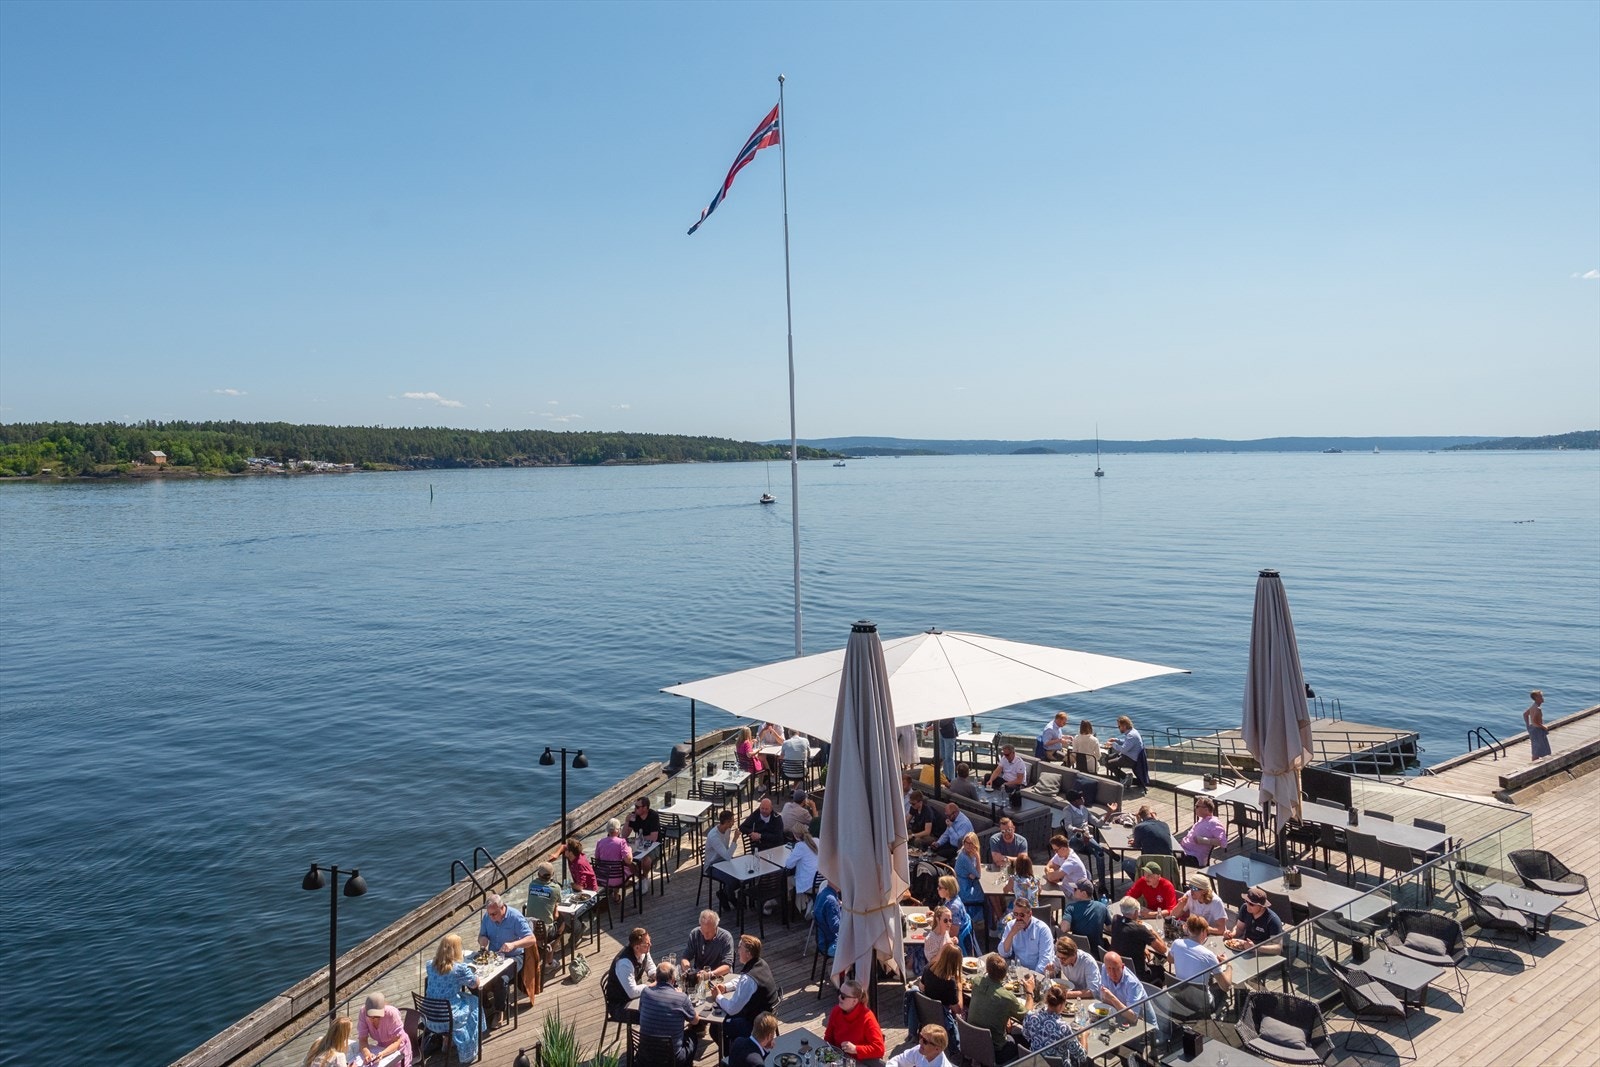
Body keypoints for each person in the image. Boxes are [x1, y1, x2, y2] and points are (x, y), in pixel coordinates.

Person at [966, 953, 1034, 1063]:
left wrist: (1006, 1016)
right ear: (1004, 974)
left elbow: (990, 1005)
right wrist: (1029, 993)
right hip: (996, 1051)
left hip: (973, 1041)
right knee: (1025, 1040)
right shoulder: (1006, 997)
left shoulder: (977, 982)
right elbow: (1028, 1017)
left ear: (987, 969)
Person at [424, 934, 481, 1063]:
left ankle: (447, 1040)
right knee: (474, 1002)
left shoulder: (430, 965)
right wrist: (475, 974)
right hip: (447, 1019)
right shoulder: (459, 969)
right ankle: (468, 1049)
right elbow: (474, 983)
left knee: (458, 998)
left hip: (429, 1017)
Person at [477, 892, 539, 1009]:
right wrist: (483, 940)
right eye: (489, 914)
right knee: (474, 975)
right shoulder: (487, 917)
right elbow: (481, 936)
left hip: (514, 957)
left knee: (501, 979)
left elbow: (531, 939)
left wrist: (513, 944)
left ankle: (500, 1011)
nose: (492, 917)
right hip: (494, 956)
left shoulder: (515, 917)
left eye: (494, 914)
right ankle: (485, 1005)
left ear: (502, 907)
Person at [716, 935, 781, 1047]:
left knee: (717, 1027)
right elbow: (742, 979)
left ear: (748, 953)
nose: (738, 950)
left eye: (740, 947)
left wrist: (718, 996)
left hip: (755, 1025)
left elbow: (732, 1008)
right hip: (766, 1016)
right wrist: (726, 987)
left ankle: (730, 1057)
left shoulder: (749, 979)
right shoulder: (761, 963)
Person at [638, 960, 699, 1065]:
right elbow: (695, 1021)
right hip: (671, 1059)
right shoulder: (681, 998)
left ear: (656, 978)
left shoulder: (645, 992)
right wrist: (682, 997)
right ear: (673, 979)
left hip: (645, 1054)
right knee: (692, 1035)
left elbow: (640, 1011)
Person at [1168, 914, 1231, 1000]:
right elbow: (1226, 986)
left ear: (1188, 929)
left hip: (1181, 998)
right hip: (1202, 1005)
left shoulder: (1176, 943)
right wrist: (1228, 964)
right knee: (1222, 991)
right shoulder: (1208, 955)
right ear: (1203, 932)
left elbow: (1170, 960)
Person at [1108, 896, 1167, 984]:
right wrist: (1153, 932)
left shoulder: (1116, 920)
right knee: (1161, 970)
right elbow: (1163, 949)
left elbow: (1127, 938)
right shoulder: (1140, 929)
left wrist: (1142, 948)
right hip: (1138, 975)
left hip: (1120, 968)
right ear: (1136, 912)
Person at [824, 978, 886, 1063]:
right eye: (839, 993)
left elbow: (879, 1049)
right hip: (839, 1059)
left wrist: (856, 1049)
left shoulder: (868, 1019)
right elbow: (828, 1038)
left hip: (860, 1062)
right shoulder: (836, 1011)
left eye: (843, 996)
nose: (839, 997)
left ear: (854, 1001)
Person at [1098, 951, 1156, 1028]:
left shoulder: (1132, 983)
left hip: (1146, 1027)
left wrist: (1112, 998)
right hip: (1121, 1019)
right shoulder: (1104, 969)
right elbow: (1104, 998)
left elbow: (1133, 1017)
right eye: (1109, 968)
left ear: (1122, 967)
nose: (1113, 973)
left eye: (1116, 969)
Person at [356, 992, 412, 1067]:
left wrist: (383, 1054)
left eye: (377, 1016)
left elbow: (397, 1041)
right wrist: (367, 1054)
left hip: (399, 1049)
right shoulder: (363, 1012)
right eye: (370, 1016)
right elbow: (362, 1039)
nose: (373, 1019)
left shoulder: (391, 1013)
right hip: (381, 1047)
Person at [999, 898, 1054, 972]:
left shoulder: (1042, 929)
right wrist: (1011, 934)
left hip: (1037, 972)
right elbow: (1003, 953)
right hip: (1019, 970)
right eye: (1015, 914)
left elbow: (1045, 960)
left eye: (1022, 915)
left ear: (1030, 914)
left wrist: (1034, 977)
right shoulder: (1011, 926)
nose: (1018, 918)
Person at [1225, 887, 1285, 955]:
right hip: (1245, 949)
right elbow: (1239, 928)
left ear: (1262, 906)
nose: (1247, 905)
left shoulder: (1273, 920)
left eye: (1251, 904)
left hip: (1263, 954)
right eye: (1246, 901)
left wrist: (1255, 947)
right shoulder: (1245, 908)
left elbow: (1278, 948)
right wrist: (1231, 934)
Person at [682, 909, 736, 984]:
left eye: (709, 932)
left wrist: (710, 974)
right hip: (700, 977)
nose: (705, 935)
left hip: (719, 977)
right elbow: (685, 958)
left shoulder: (725, 938)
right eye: (703, 931)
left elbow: (727, 966)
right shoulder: (695, 934)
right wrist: (689, 971)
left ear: (716, 926)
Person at [1021, 985, 1080, 1053]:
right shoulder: (1064, 1027)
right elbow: (1081, 1057)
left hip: (1035, 1061)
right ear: (1061, 1005)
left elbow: (1026, 1035)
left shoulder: (1030, 1016)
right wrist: (1084, 1036)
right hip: (1056, 1063)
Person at [705, 809, 741, 912]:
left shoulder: (727, 830)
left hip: (724, 861)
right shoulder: (714, 836)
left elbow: (726, 853)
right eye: (732, 821)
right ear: (727, 822)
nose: (734, 823)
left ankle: (724, 893)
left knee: (742, 875)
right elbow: (727, 856)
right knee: (732, 880)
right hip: (712, 865)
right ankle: (730, 897)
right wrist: (735, 839)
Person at [1122, 806, 1173, 878]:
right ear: (1152, 814)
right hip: (1167, 866)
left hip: (1150, 868)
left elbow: (1137, 845)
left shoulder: (1139, 827)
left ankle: (1142, 884)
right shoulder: (1165, 825)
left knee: (1126, 863)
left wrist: (1138, 823)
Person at [1062, 879, 1110, 955]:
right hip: (1097, 953)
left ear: (1084, 893)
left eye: (1075, 889)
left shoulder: (1071, 908)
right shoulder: (1102, 907)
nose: (1073, 890)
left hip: (1077, 952)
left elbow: (1064, 928)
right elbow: (1110, 928)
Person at [612, 927, 656, 1005]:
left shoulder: (644, 951)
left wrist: (656, 975)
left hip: (638, 994)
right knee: (652, 1010)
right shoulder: (624, 963)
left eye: (650, 941)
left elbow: (650, 967)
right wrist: (651, 985)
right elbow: (632, 992)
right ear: (637, 947)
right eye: (647, 944)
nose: (650, 945)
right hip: (622, 1003)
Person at [1178, 798, 1227, 866]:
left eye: (1197, 806)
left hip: (1194, 857)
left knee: (1168, 857)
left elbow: (1223, 842)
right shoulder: (1202, 820)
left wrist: (1203, 840)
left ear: (1206, 809)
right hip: (1184, 851)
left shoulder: (1214, 823)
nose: (1195, 808)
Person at [785, 828, 821, 913]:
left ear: (795, 836)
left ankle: (787, 908)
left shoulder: (800, 846)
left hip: (811, 885)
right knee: (799, 879)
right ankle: (805, 902)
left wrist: (792, 853)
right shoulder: (817, 840)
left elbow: (789, 865)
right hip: (822, 881)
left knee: (788, 880)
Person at [888, 1024, 956, 1067]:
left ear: (937, 1049)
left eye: (925, 1041)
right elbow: (897, 1060)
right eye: (921, 1037)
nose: (920, 1042)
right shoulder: (920, 1050)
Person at [627, 796, 662, 878]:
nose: (635, 809)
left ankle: (645, 876)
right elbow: (625, 835)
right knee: (624, 858)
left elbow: (653, 838)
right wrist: (627, 822)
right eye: (635, 806)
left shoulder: (653, 816)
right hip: (639, 844)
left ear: (645, 808)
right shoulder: (634, 816)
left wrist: (638, 839)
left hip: (654, 845)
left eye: (637, 807)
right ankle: (641, 878)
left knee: (646, 861)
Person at [1102, 716, 1144, 780]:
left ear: (1124, 726)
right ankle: (1122, 778)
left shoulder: (1131, 735)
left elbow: (1123, 750)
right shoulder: (1132, 732)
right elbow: (1127, 742)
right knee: (1106, 758)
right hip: (1129, 756)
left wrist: (1112, 744)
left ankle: (1125, 778)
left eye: (1119, 726)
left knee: (1108, 764)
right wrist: (1116, 740)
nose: (1119, 728)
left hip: (1130, 759)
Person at [954, 832, 987, 910]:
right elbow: (978, 875)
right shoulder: (964, 857)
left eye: (971, 843)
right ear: (964, 843)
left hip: (968, 883)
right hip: (964, 890)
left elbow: (974, 872)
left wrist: (973, 873)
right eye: (967, 843)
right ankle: (984, 918)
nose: (968, 845)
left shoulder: (969, 853)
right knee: (987, 896)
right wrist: (978, 857)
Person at [813, 879, 842, 959]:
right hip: (831, 945)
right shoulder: (831, 900)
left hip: (822, 942)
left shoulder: (822, 893)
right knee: (863, 946)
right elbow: (836, 927)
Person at [1525, 689, 1551, 760]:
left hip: (1533, 729)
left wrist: (1528, 726)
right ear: (1536, 698)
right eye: (1541, 696)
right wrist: (1544, 727)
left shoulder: (1533, 706)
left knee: (1536, 749)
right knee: (1540, 750)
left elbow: (1525, 714)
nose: (1543, 698)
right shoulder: (1537, 708)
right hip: (1538, 730)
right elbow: (1535, 721)